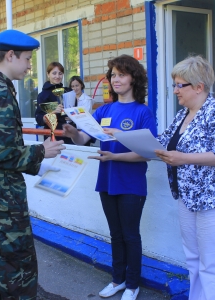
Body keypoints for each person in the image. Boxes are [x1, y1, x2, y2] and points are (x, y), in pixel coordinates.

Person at [0, 29, 65, 299]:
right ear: (10, 56)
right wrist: (40, 152)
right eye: (27, 59)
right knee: (16, 262)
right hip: (3, 194)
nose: (30, 65)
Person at [63, 54, 157, 300]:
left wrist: (115, 156)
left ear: (133, 79)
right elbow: (84, 139)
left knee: (130, 235)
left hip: (131, 184)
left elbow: (147, 154)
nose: (116, 79)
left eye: (121, 75)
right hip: (107, 180)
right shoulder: (103, 109)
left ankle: (133, 285)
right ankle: (118, 279)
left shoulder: (143, 112)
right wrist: (72, 131)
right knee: (115, 234)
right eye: (113, 75)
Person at [154, 56, 215, 300]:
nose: (175, 90)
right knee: (194, 262)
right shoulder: (182, 116)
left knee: (213, 268)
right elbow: (159, 145)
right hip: (189, 199)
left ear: (199, 87)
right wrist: (119, 142)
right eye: (173, 84)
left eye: (179, 85)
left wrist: (182, 158)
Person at [35, 62, 73, 144]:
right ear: (48, 74)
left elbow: (75, 109)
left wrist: (72, 117)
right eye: (54, 73)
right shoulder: (43, 95)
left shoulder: (68, 91)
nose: (57, 76)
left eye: (60, 73)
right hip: (53, 137)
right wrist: (53, 112)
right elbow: (39, 118)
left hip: (70, 135)